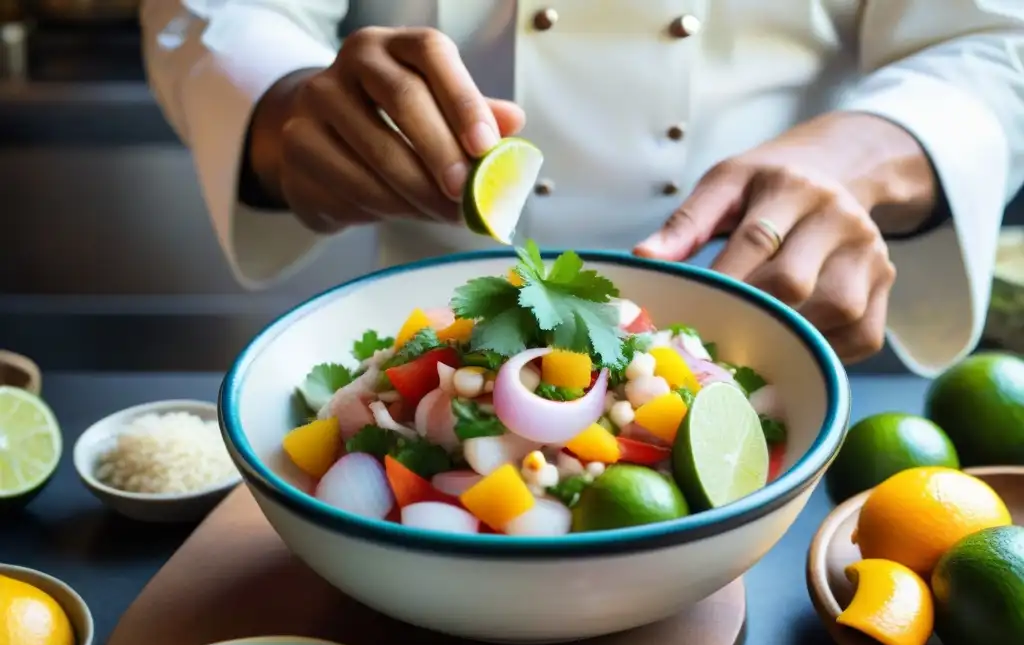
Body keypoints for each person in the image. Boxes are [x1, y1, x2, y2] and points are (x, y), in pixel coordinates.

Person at [141, 1, 1024, 376]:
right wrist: (283, 108)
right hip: (433, 328)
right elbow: (220, 10)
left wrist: (865, 154)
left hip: (771, 316)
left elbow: (993, 40)